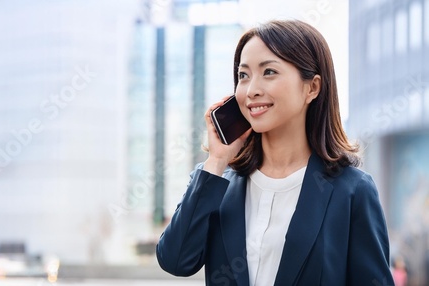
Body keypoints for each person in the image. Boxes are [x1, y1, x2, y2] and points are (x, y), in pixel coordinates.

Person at [156, 20, 394, 286]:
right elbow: (176, 261)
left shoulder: (351, 190)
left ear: (312, 87)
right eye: (244, 75)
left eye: (269, 72)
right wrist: (217, 159)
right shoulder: (217, 181)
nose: (252, 90)